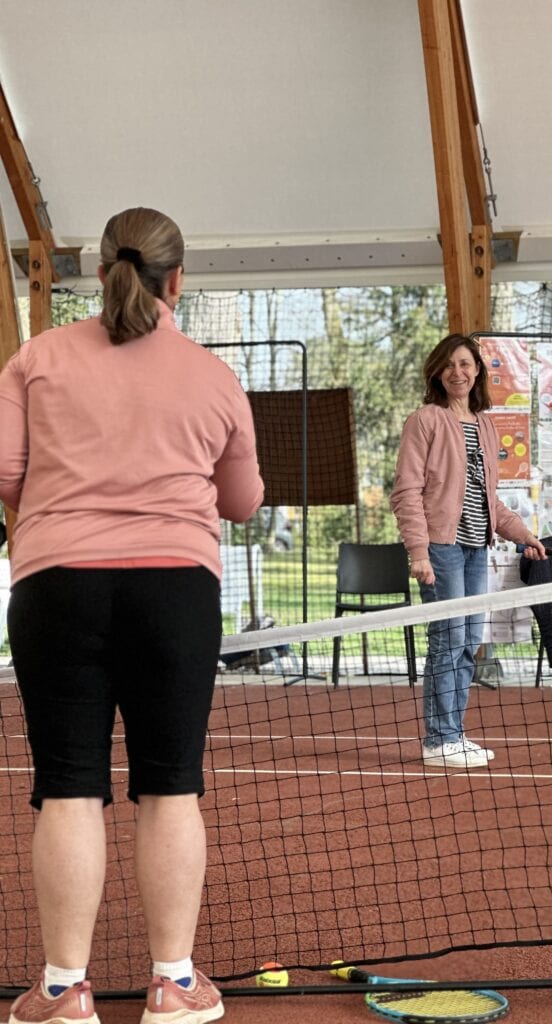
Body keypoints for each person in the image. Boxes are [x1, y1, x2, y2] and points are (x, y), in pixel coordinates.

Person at [0, 207, 264, 1024]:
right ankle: (175, 986)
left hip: (55, 586)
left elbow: (5, 475)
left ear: (99, 271)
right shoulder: (214, 375)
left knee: (69, 788)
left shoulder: (34, 359)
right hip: (176, 591)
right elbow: (245, 503)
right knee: (171, 785)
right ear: (177, 279)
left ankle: (61, 991)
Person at [391, 333, 547, 769]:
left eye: (465, 364)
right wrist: (418, 552)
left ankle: (453, 735)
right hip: (441, 551)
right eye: (449, 365)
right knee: (448, 640)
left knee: (468, 643)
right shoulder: (425, 420)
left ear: (477, 370)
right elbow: (407, 492)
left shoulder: (484, 424)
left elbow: (489, 498)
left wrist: (523, 535)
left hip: (476, 549)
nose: (457, 372)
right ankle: (440, 740)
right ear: (437, 373)